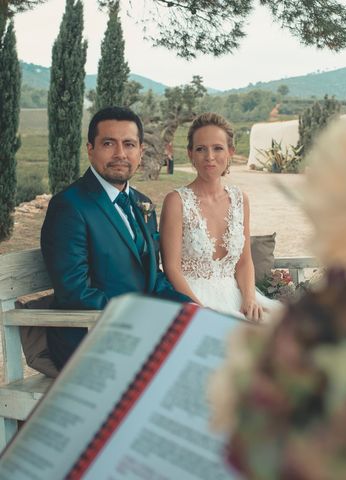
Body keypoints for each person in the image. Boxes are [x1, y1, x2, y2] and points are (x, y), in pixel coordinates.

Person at [40, 106, 192, 370]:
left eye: (129, 144)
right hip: (89, 336)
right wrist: (143, 319)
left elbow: (153, 280)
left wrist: (191, 309)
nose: (120, 154)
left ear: (141, 152)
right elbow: (75, 293)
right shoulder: (69, 206)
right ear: (91, 149)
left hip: (139, 332)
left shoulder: (142, 203)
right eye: (109, 143)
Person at [160, 113, 279, 322]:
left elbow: (244, 262)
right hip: (192, 299)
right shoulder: (176, 202)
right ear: (190, 154)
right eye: (200, 149)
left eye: (217, 148)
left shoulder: (240, 200)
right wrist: (199, 310)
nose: (209, 157)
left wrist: (250, 298)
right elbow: (171, 268)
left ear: (230, 152)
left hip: (236, 297)